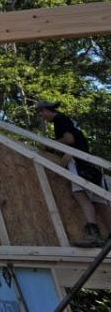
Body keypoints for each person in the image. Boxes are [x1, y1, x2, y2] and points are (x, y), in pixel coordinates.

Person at [37, 100, 111, 247]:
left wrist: (51, 144)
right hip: (88, 164)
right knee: (99, 200)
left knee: (80, 195)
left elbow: (69, 139)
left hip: (77, 162)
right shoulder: (67, 120)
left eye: (41, 112)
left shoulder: (60, 120)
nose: (41, 116)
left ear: (46, 110)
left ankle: (93, 235)